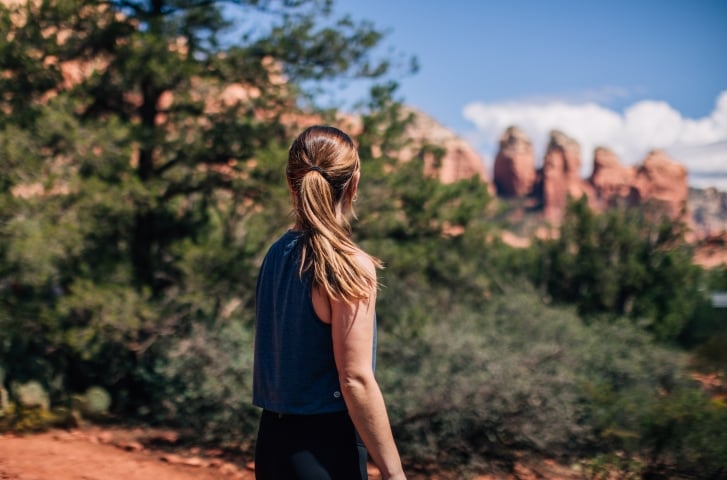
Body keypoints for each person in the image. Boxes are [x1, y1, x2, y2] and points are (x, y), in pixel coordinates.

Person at [252, 125, 406, 480]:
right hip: (326, 449)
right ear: (353, 185)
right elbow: (355, 379)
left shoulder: (275, 254)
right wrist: (394, 473)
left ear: (292, 183)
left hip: (272, 445)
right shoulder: (348, 264)